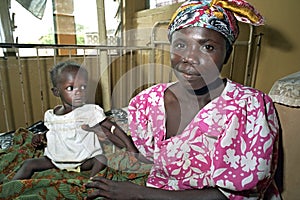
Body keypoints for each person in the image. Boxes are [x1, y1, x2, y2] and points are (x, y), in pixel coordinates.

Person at [84, 0, 280, 199]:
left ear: (227, 54)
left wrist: (140, 194)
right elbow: (149, 156)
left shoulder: (249, 106)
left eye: (208, 47)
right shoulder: (149, 100)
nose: (190, 57)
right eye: (180, 45)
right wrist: (113, 139)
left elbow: (235, 195)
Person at [12, 61, 122, 180]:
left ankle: (91, 184)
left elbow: (110, 128)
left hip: (83, 160)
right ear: (56, 91)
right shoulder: (51, 115)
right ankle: (8, 189)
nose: (78, 92)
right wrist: (41, 136)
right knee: (28, 164)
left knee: (101, 159)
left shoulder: (89, 112)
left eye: (83, 87)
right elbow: (55, 132)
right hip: (55, 160)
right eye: (70, 88)